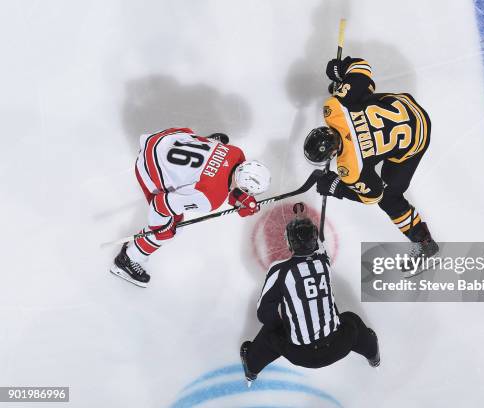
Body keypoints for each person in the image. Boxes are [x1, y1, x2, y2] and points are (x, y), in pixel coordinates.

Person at [304, 57, 438, 259]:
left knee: (389, 198)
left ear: (332, 154)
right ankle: (349, 87)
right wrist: (340, 70)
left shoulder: (349, 167)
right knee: (357, 97)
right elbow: (361, 66)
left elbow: (374, 195)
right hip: (408, 107)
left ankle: (424, 243)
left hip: (417, 139)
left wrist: (336, 187)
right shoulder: (334, 108)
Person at [110, 127, 271, 287]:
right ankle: (128, 259)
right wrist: (161, 229)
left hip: (160, 140)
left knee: (209, 150)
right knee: (170, 229)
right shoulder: (210, 199)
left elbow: (226, 180)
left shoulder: (236, 153)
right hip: (148, 166)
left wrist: (239, 198)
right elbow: (160, 203)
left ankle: (203, 156)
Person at [240, 214, 379, 385]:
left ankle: (251, 367)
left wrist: (285, 327)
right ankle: (373, 354)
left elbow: (264, 314)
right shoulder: (324, 263)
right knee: (352, 320)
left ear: (290, 243)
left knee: (270, 335)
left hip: (301, 355)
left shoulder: (280, 270)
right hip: (338, 346)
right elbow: (320, 249)